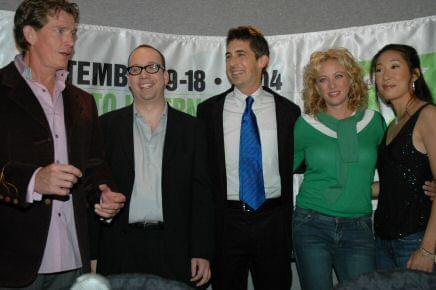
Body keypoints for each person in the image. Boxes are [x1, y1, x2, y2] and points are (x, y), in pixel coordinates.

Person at [0, 0, 125, 289]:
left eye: (73, 33)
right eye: (60, 31)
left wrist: (103, 193)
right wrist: (33, 180)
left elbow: (94, 165)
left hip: (72, 257)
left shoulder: (83, 101)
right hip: (12, 262)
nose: (70, 42)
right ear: (30, 35)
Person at [91, 44, 214, 288]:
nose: (144, 75)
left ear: (166, 76)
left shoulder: (193, 129)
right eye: (135, 69)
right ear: (128, 79)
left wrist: (202, 250)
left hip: (175, 250)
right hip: (118, 249)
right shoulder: (105, 127)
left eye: (152, 67)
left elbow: (202, 195)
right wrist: (93, 253)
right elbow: (94, 190)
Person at [196, 26, 300, 290]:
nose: (232, 63)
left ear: (262, 60)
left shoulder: (288, 112)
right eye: (228, 56)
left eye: (240, 54)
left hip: (273, 222)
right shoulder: (208, 111)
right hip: (226, 223)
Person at [292, 48, 386, 290]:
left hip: (359, 227)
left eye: (339, 76)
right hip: (311, 224)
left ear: (351, 78)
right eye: (323, 79)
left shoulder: (374, 123)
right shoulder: (305, 124)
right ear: (316, 86)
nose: (331, 85)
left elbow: (392, 176)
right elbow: (281, 171)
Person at [371, 44, 436, 272]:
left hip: (415, 241)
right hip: (382, 241)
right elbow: (394, 183)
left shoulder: (428, 115)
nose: (385, 76)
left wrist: (428, 250)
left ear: (415, 74)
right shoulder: (391, 126)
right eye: (378, 70)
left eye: (394, 66)